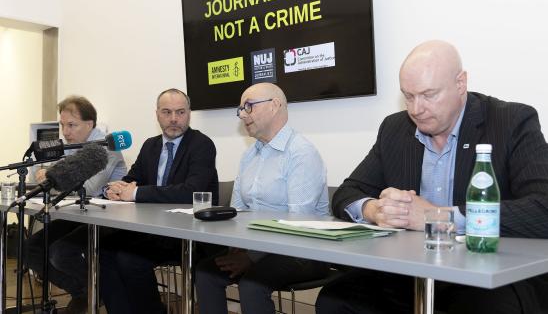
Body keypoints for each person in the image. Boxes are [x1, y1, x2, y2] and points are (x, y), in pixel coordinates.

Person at [316, 40, 548, 314]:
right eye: (409, 96)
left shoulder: (510, 121)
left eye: (428, 95)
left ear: (460, 84)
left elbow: (542, 208)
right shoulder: (395, 128)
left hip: (483, 275)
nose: (416, 109)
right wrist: (375, 210)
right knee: (335, 298)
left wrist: (438, 217)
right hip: (409, 272)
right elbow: (347, 193)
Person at [194, 83, 330, 314]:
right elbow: (237, 210)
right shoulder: (250, 154)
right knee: (205, 272)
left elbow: (296, 223)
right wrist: (238, 248)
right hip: (256, 247)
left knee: (252, 285)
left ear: (275, 106)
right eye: (240, 109)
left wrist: (251, 257)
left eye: (248, 106)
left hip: (304, 249)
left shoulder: (301, 153)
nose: (242, 115)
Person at [100, 88, 219, 314]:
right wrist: (112, 189)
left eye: (180, 112)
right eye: (167, 112)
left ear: (189, 114)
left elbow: (190, 192)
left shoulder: (201, 144)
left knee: (129, 259)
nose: (174, 118)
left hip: (187, 234)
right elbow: (131, 179)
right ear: (157, 114)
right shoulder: (150, 146)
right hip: (152, 230)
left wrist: (135, 193)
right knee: (103, 250)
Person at [25, 96, 127, 314]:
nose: (65, 131)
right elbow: (37, 174)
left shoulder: (104, 148)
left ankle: (95, 290)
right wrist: (48, 175)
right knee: (31, 249)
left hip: (109, 218)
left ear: (89, 125)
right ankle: (84, 291)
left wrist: (51, 179)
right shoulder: (73, 145)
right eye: (63, 125)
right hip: (77, 214)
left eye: (71, 125)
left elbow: (88, 188)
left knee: (60, 252)